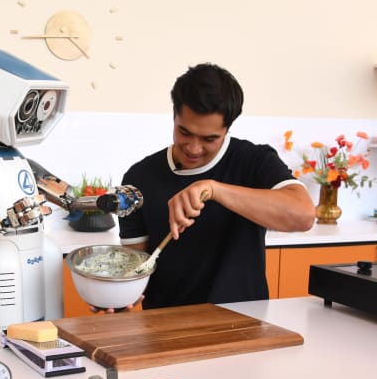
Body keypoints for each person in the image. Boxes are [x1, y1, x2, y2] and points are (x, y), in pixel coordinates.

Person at [118, 63, 315, 310]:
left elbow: (303, 215)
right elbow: (135, 269)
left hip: (245, 324)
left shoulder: (253, 161)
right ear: (174, 116)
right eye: (184, 132)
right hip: (165, 328)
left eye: (209, 139)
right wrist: (116, 293)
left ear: (227, 129)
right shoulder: (140, 177)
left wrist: (215, 189)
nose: (193, 148)